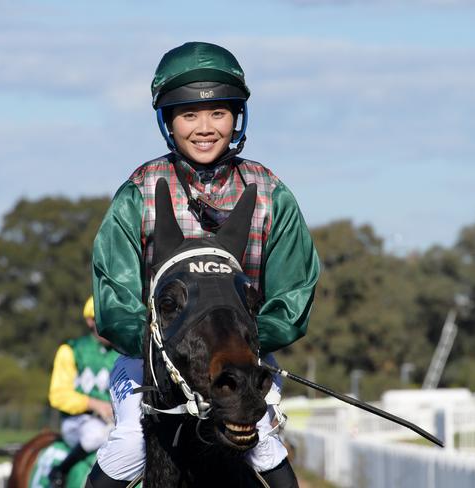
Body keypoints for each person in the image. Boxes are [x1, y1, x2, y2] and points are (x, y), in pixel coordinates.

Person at [87, 41, 320, 488]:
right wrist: (169, 352)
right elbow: (115, 302)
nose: (205, 127)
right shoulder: (137, 194)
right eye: (189, 115)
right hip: (151, 361)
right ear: (168, 122)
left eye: (218, 113)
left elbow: (294, 295)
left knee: (266, 447)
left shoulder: (272, 194)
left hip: (241, 356)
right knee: (129, 447)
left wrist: (238, 343)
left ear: (237, 117)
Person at [47, 296, 119, 487]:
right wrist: (95, 405)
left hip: (115, 422)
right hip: (78, 422)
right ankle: (60, 470)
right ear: (90, 321)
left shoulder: (123, 354)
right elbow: (58, 395)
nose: (109, 327)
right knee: (96, 433)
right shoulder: (70, 350)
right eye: (103, 320)